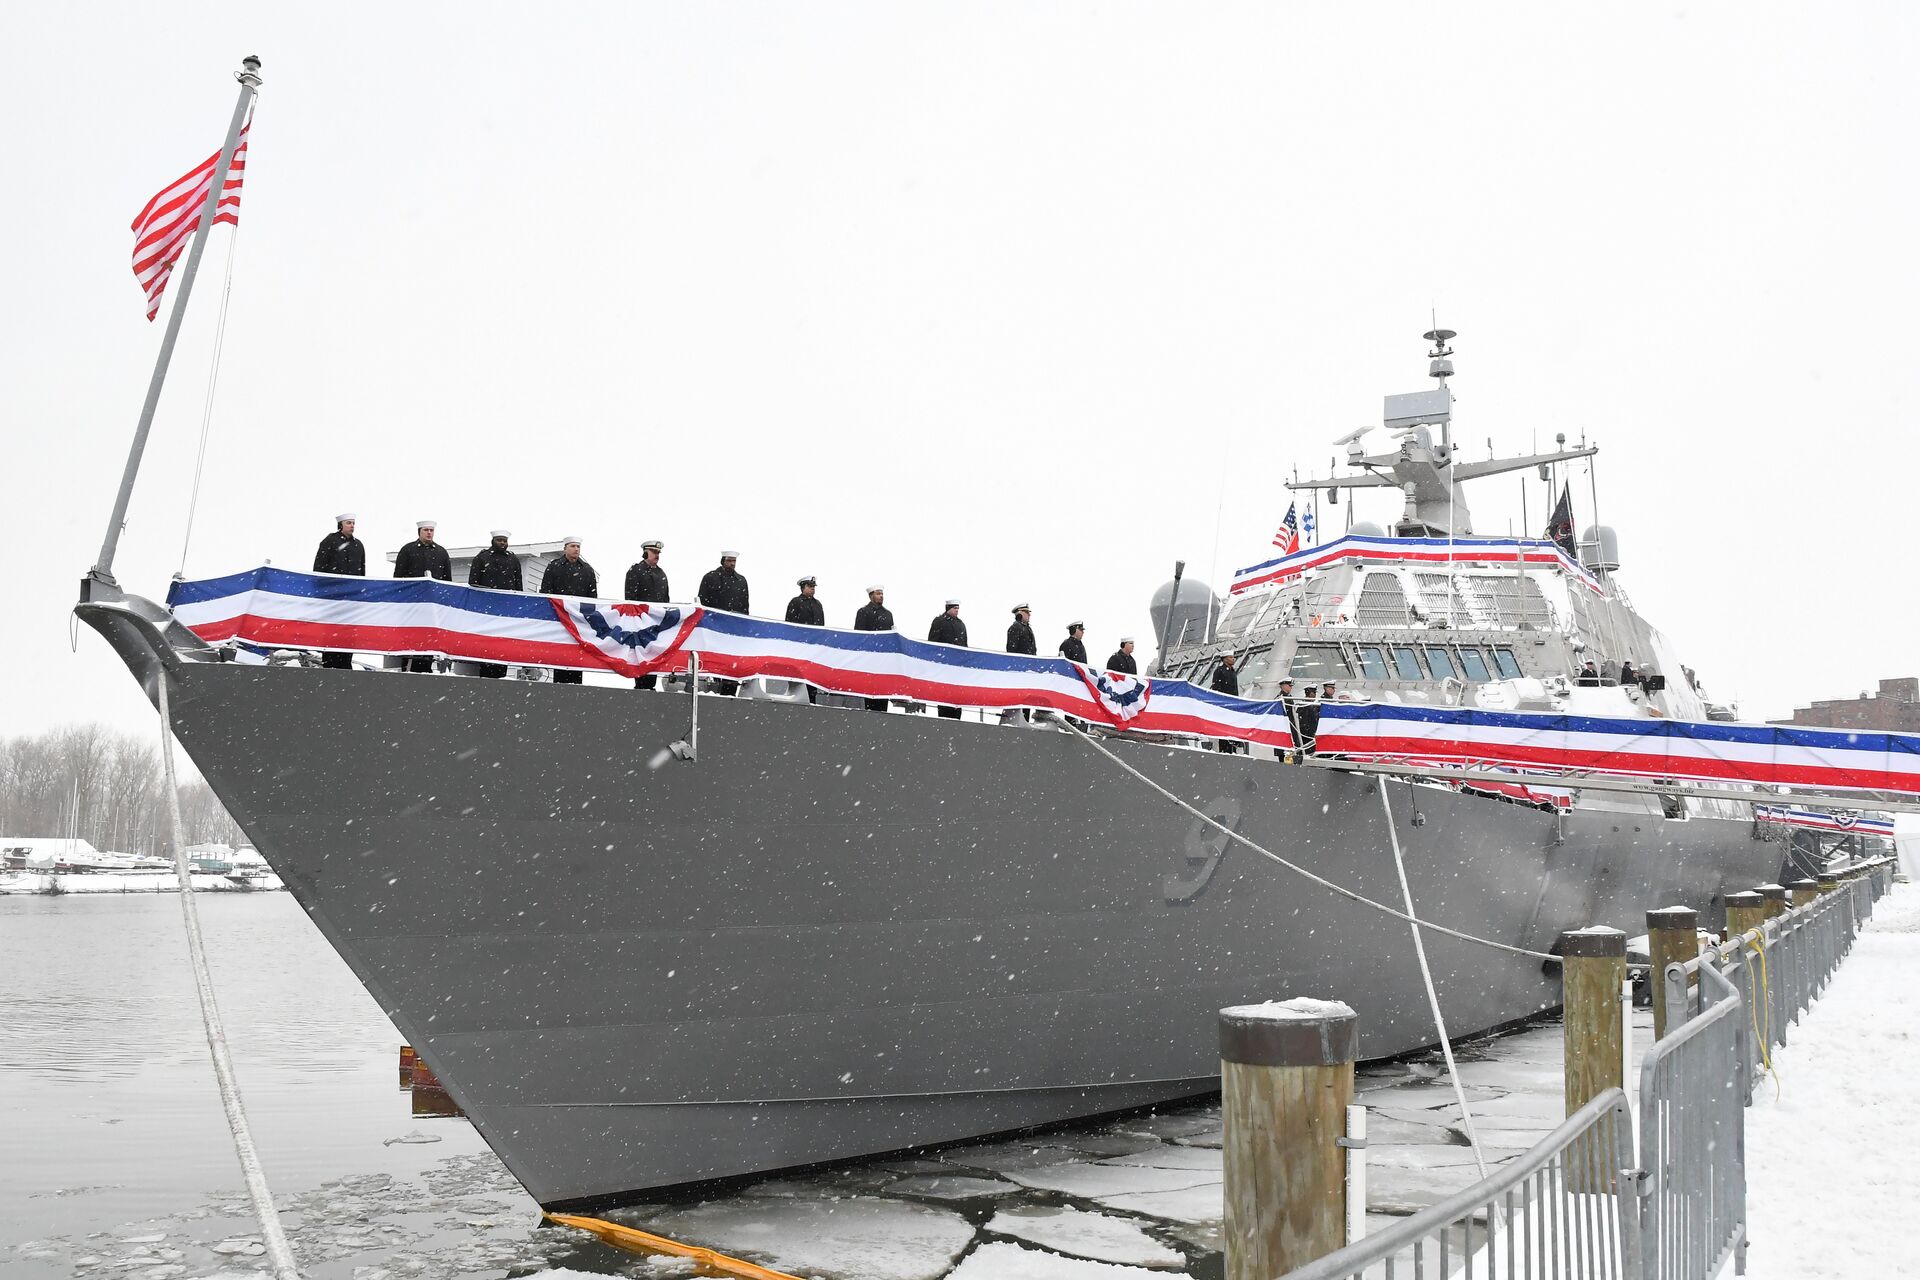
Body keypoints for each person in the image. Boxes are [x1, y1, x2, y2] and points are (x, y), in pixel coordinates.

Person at [393, 520, 452, 672]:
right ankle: (408, 667)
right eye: (426, 530)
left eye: (431, 530)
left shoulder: (441, 552)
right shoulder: (408, 550)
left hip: (433, 605)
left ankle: (426, 666)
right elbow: (398, 578)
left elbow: (447, 581)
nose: (429, 533)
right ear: (419, 531)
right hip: (413, 603)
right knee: (411, 637)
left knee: (429, 637)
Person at [539, 537, 598, 684]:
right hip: (559, 618)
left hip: (579, 621)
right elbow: (546, 592)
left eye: (578, 546)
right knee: (561, 653)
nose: (576, 549)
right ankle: (560, 684)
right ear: (565, 548)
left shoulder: (587, 570)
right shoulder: (554, 566)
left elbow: (592, 598)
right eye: (573, 546)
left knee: (577, 653)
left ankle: (576, 685)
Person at [466, 530, 522, 679]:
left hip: (506, 610)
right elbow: (473, 583)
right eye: (499, 540)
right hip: (486, 609)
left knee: (502, 643)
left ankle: (501, 674)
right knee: (486, 643)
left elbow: (519, 588)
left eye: (504, 540)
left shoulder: (513, 560)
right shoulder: (482, 557)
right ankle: (485, 674)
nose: (502, 543)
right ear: (493, 540)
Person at [312, 512, 364, 669]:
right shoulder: (329, 541)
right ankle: (330, 662)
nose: (352, 526)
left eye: (353, 523)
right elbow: (319, 568)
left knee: (349, 630)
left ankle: (345, 661)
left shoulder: (358, 545)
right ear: (341, 525)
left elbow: (362, 572)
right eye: (349, 523)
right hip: (333, 596)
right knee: (331, 629)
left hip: (351, 598)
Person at [698, 552, 750, 694]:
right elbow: (703, 604)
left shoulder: (741, 581)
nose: (732, 564)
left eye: (734, 561)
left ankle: (729, 689)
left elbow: (745, 607)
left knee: (731, 664)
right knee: (715, 661)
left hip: (734, 630)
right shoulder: (710, 578)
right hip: (715, 628)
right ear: (723, 560)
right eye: (729, 561)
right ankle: (713, 688)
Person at [624, 540, 669, 690]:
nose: (657, 555)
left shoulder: (661, 573)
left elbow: (665, 600)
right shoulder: (635, 571)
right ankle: (640, 687)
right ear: (645, 552)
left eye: (658, 553)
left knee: (653, 657)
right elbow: (630, 599)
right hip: (640, 622)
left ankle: (650, 687)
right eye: (654, 552)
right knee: (639, 656)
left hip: (655, 624)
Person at [785, 576, 825, 703]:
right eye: (810, 586)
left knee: (812, 676)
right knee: (798, 676)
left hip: (813, 647)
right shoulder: (795, 602)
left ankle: (812, 699)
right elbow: (789, 624)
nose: (813, 589)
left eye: (813, 587)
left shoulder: (818, 604)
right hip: (799, 646)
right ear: (803, 587)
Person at [854, 586, 894, 712]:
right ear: (871, 596)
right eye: (878, 594)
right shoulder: (863, 612)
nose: (881, 596)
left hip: (884, 658)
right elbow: (859, 635)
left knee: (883, 690)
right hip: (870, 657)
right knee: (870, 691)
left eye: (882, 593)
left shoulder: (888, 614)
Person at [927, 599, 968, 719]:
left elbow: (964, 645)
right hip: (944, 666)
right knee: (944, 697)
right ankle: (944, 717)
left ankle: (956, 717)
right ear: (948, 608)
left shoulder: (961, 624)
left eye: (958, 608)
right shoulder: (939, 621)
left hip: (957, 667)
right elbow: (932, 643)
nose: (957, 611)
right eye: (955, 608)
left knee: (957, 697)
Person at [1210, 652, 1242, 753]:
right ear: (1224, 659)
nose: (1233, 659)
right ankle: (1225, 749)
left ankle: (1233, 747)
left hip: (1233, 703)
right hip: (1224, 704)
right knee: (1224, 728)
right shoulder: (1219, 671)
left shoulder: (1232, 671)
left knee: (1232, 726)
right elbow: (1216, 688)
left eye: (1233, 657)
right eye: (1230, 657)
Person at [1295, 685, 1322, 756]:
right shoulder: (1304, 705)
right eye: (1314, 693)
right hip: (1307, 735)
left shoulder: (1313, 704)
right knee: (1307, 752)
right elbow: (1304, 721)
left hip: (1312, 733)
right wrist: (1310, 732)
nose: (1315, 695)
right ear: (1310, 693)